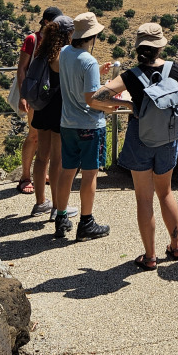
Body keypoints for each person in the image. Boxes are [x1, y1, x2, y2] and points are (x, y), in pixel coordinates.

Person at [93, 23, 178, 270]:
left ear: (139, 48)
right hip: (168, 139)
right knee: (166, 192)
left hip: (140, 139)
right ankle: (176, 245)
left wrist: (128, 106)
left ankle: (150, 256)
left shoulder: (130, 76)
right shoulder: (175, 70)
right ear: (160, 47)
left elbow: (97, 98)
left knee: (144, 198)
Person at [52, 12, 117, 241]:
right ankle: (86, 223)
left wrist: (96, 77)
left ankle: (60, 218)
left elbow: (71, 79)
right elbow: (91, 99)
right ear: (93, 36)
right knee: (90, 174)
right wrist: (111, 100)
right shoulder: (89, 61)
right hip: (89, 123)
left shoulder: (64, 53)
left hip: (67, 123)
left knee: (67, 171)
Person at [25, 16, 75, 222]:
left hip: (42, 108)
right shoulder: (63, 55)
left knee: (42, 157)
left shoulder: (42, 52)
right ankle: (57, 207)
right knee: (57, 160)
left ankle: (40, 203)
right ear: (67, 34)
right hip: (58, 110)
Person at [14, 6, 59, 196]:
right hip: (35, 95)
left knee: (47, 137)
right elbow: (22, 69)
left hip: (52, 95)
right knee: (34, 135)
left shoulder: (57, 41)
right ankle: (25, 177)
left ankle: (42, 174)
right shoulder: (32, 39)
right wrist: (24, 95)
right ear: (47, 22)